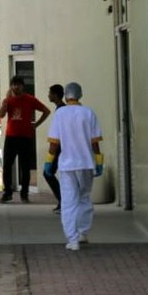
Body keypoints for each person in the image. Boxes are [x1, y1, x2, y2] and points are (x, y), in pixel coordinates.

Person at [45, 82, 103, 251]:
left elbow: (54, 143)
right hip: (86, 164)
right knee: (84, 197)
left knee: (69, 202)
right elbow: (95, 142)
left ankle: (73, 239)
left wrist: (49, 162)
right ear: (80, 95)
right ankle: (83, 232)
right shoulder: (89, 113)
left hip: (67, 165)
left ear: (65, 96)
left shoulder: (60, 114)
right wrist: (99, 162)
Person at [0, 75, 51, 203]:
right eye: (14, 84)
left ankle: (24, 193)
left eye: (18, 84)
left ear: (23, 86)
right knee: (7, 166)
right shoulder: (8, 100)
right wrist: (5, 101)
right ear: (11, 86)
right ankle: (7, 192)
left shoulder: (30, 99)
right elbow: (1, 114)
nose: (16, 87)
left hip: (25, 137)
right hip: (11, 137)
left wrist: (36, 124)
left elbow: (46, 111)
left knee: (25, 166)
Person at [43, 84, 65, 214]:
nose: (48, 95)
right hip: (60, 148)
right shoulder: (60, 109)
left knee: (48, 173)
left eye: (50, 93)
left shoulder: (61, 110)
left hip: (59, 148)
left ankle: (63, 201)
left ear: (55, 95)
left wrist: (51, 155)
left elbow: (56, 135)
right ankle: (62, 201)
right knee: (49, 174)